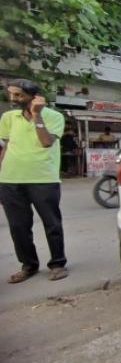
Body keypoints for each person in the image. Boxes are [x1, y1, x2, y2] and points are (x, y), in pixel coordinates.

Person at [0, 79, 68, 282]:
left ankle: (57, 264)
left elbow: (46, 142)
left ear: (33, 96)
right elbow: (4, 147)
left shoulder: (54, 117)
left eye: (18, 95)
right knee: (18, 226)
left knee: (52, 224)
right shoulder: (8, 117)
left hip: (43, 179)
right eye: (12, 94)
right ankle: (28, 265)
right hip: (10, 179)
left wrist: (37, 115)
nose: (13, 98)